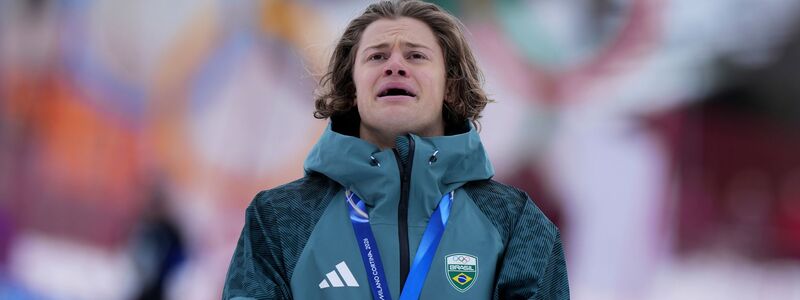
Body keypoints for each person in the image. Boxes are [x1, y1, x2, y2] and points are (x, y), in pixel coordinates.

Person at [222, 1, 569, 299]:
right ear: (351, 88)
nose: (395, 65)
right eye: (377, 56)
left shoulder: (514, 221)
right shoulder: (280, 217)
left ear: (450, 86)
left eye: (416, 56)